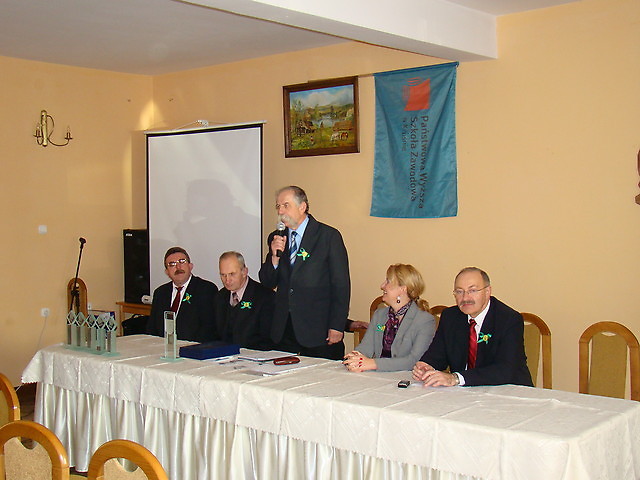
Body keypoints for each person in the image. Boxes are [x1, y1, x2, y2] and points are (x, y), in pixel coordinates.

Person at [258, 186, 350, 360]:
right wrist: (274, 258)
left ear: (302, 207)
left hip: (318, 329)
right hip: (284, 329)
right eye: (278, 206)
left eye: (286, 205)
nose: (280, 211)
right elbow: (267, 282)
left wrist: (337, 325)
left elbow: (341, 285)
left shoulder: (328, 236)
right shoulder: (276, 238)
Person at [412, 267, 533, 387]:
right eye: (459, 291)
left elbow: (506, 369)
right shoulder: (450, 316)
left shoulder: (509, 319)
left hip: (509, 391)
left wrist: (457, 378)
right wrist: (427, 366)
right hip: (464, 392)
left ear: (487, 291)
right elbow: (437, 355)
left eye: (473, 290)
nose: (465, 298)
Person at [343, 264, 436, 372]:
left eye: (388, 281)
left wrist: (373, 363)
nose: (382, 286)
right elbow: (365, 347)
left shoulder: (424, 320)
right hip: (378, 376)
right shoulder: (379, 315)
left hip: (407, 378)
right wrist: (353, 358)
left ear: (403, 289)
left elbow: (414, 361)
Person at [146, 247, 218, 342]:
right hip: (163, 347)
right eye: (172, 264)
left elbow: (208, 329)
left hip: (194, 347)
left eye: (182, 262)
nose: (178, 267)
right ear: (167, 272)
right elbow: (152, 329)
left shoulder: (206, 289)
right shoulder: (160, 293)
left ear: (190, 266)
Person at [214, 251, 275, 350]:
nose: (227, 280)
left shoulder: (264, 297)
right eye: (223, 275)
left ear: (244, 272)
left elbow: (267, 339)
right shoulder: (220, 297)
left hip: (255, 355)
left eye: (232, 274)